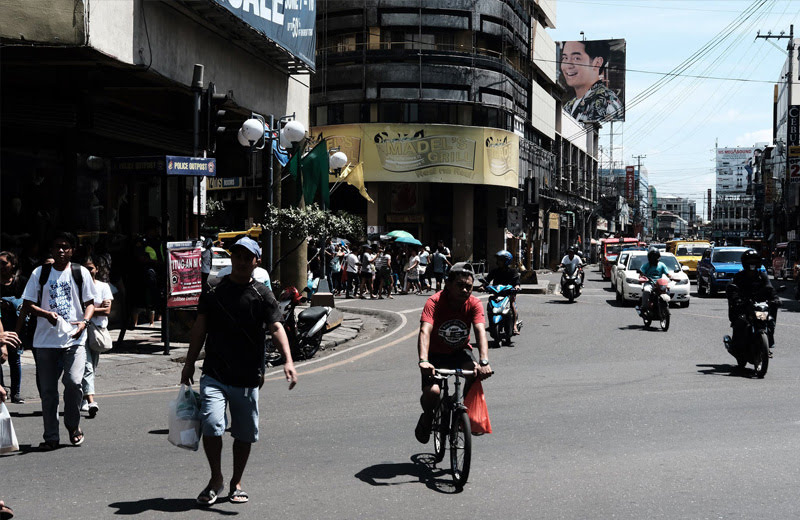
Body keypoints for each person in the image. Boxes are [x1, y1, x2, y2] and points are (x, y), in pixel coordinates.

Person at [181, 237, 297, 506]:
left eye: (248, 257)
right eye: (238, 256)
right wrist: (189, 363)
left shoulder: (262, 294)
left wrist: (288, 360)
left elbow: (277, 327)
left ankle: (236, 482)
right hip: (215, 372)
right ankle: (215, 479)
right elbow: (200, 328)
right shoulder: (212, 290)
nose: (242, 262)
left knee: (244, 434)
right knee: (211, 424)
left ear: (256, 261)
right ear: (232, 258)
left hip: (247, 376)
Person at [20, 232, 96, 450]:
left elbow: (90, 303)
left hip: (74, 338)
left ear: (72, 250)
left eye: (65, 246)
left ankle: (73, 425)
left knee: (73, 383)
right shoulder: (40, 273)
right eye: (57, 247)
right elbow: (28, 304)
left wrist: (84, 322)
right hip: (45, 342)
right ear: (51, 250)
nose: (61, 250)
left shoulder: (80, 272)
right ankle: (51, 436)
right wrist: (46, 314)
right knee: (48, 391)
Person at [415, 263, 492, 444]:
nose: (465, 290)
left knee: (474, 373)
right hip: (434, 354)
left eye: (469, 287)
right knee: (433, 392)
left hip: (460, 351)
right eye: (460, 285)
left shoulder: (474, 303)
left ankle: (462, 412)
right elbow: (425, 330)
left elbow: (480, 331)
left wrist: (484, 361)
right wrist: (424, 360)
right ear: (448, 285)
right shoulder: (434, 302)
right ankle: (427, 416)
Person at [726, 250, 780, 357]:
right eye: (750, 261)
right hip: (744, 308)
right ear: (745, 263)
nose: (752, 264)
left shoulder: (762, 276)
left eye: (754, 261)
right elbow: (733, 290)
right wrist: (737, 299)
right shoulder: (739, 277)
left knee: (768, 321)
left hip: (758, 308)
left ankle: (767, 345)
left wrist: (775, 299)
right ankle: (736, 348)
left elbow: (770, 289)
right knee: (741, 323)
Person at [80, 256, 113, 418]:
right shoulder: (78, 286)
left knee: (92, 367)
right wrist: (97, 307)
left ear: (96, 269)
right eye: (85, 268)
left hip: (98, 331)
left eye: (91, 268)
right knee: (86, 367)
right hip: (81, 331)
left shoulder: (103, 286)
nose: (88, 271)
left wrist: (90, 309)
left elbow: (107, 310)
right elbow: (79, 310)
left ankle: (81, 398)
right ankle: (91, 401)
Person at [561, 40, 623, 123]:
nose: (567, 65)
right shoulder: (569, 106)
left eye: (576, 58)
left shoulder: (606, 102)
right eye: (565, 58)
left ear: (597, 62)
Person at [0, 251, 27, 403]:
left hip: (16, 324)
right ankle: (2, 389)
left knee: (15, 359)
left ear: (13, 264)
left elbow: (25, 304)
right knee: (0, 356)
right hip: (0, 325)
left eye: (4, 263)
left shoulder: (20, 282)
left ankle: (16, 392)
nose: (1, 267)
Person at [482, 250, 522, 334]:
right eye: (498, 260)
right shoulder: (495, 271)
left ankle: (514, 325)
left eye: (501, 260)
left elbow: (517, 282)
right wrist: (483, 286)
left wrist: (516, 287)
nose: (498, 262)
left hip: (509, 293)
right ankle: (492, 324)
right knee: (490, 305)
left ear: (507, 261)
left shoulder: (512, 271)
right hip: (497, 293)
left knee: (512, 304)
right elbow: (487, 280)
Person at [637, 247, 676, 315]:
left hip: (659, 283)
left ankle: (665, 305)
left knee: (667, 289)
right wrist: (642, 277)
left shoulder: (662, 265)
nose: (654, 258)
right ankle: (644, 307)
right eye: (653, 256)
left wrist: (672, 277)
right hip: (649, 283)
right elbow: (641, 274)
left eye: (656, 256)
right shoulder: (646, 265)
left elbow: (668, 274)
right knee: (646, 290)